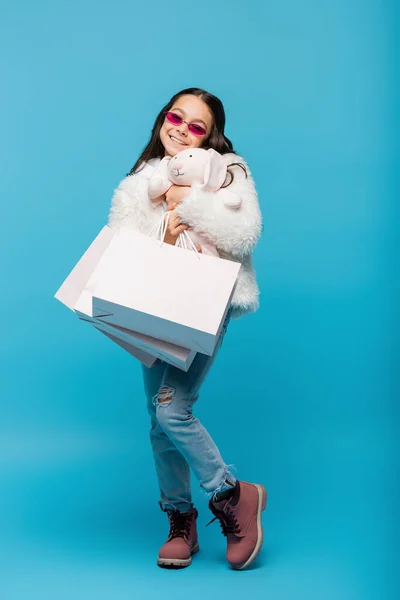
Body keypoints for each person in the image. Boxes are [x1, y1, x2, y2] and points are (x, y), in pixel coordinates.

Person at [107, 87, 266, 570]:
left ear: (210, 136)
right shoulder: (139, 181)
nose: (181, 128)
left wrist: (190, 200)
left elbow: (244, 233)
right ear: (162, 118)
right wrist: (166, 230)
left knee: (173, 409)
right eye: (176, 116)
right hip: (154, 307)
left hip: (206, 302)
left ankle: (231, 494)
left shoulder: (229, 170)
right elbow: (122, 245)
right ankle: (181, 520)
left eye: (196, 125)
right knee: (158, 426)